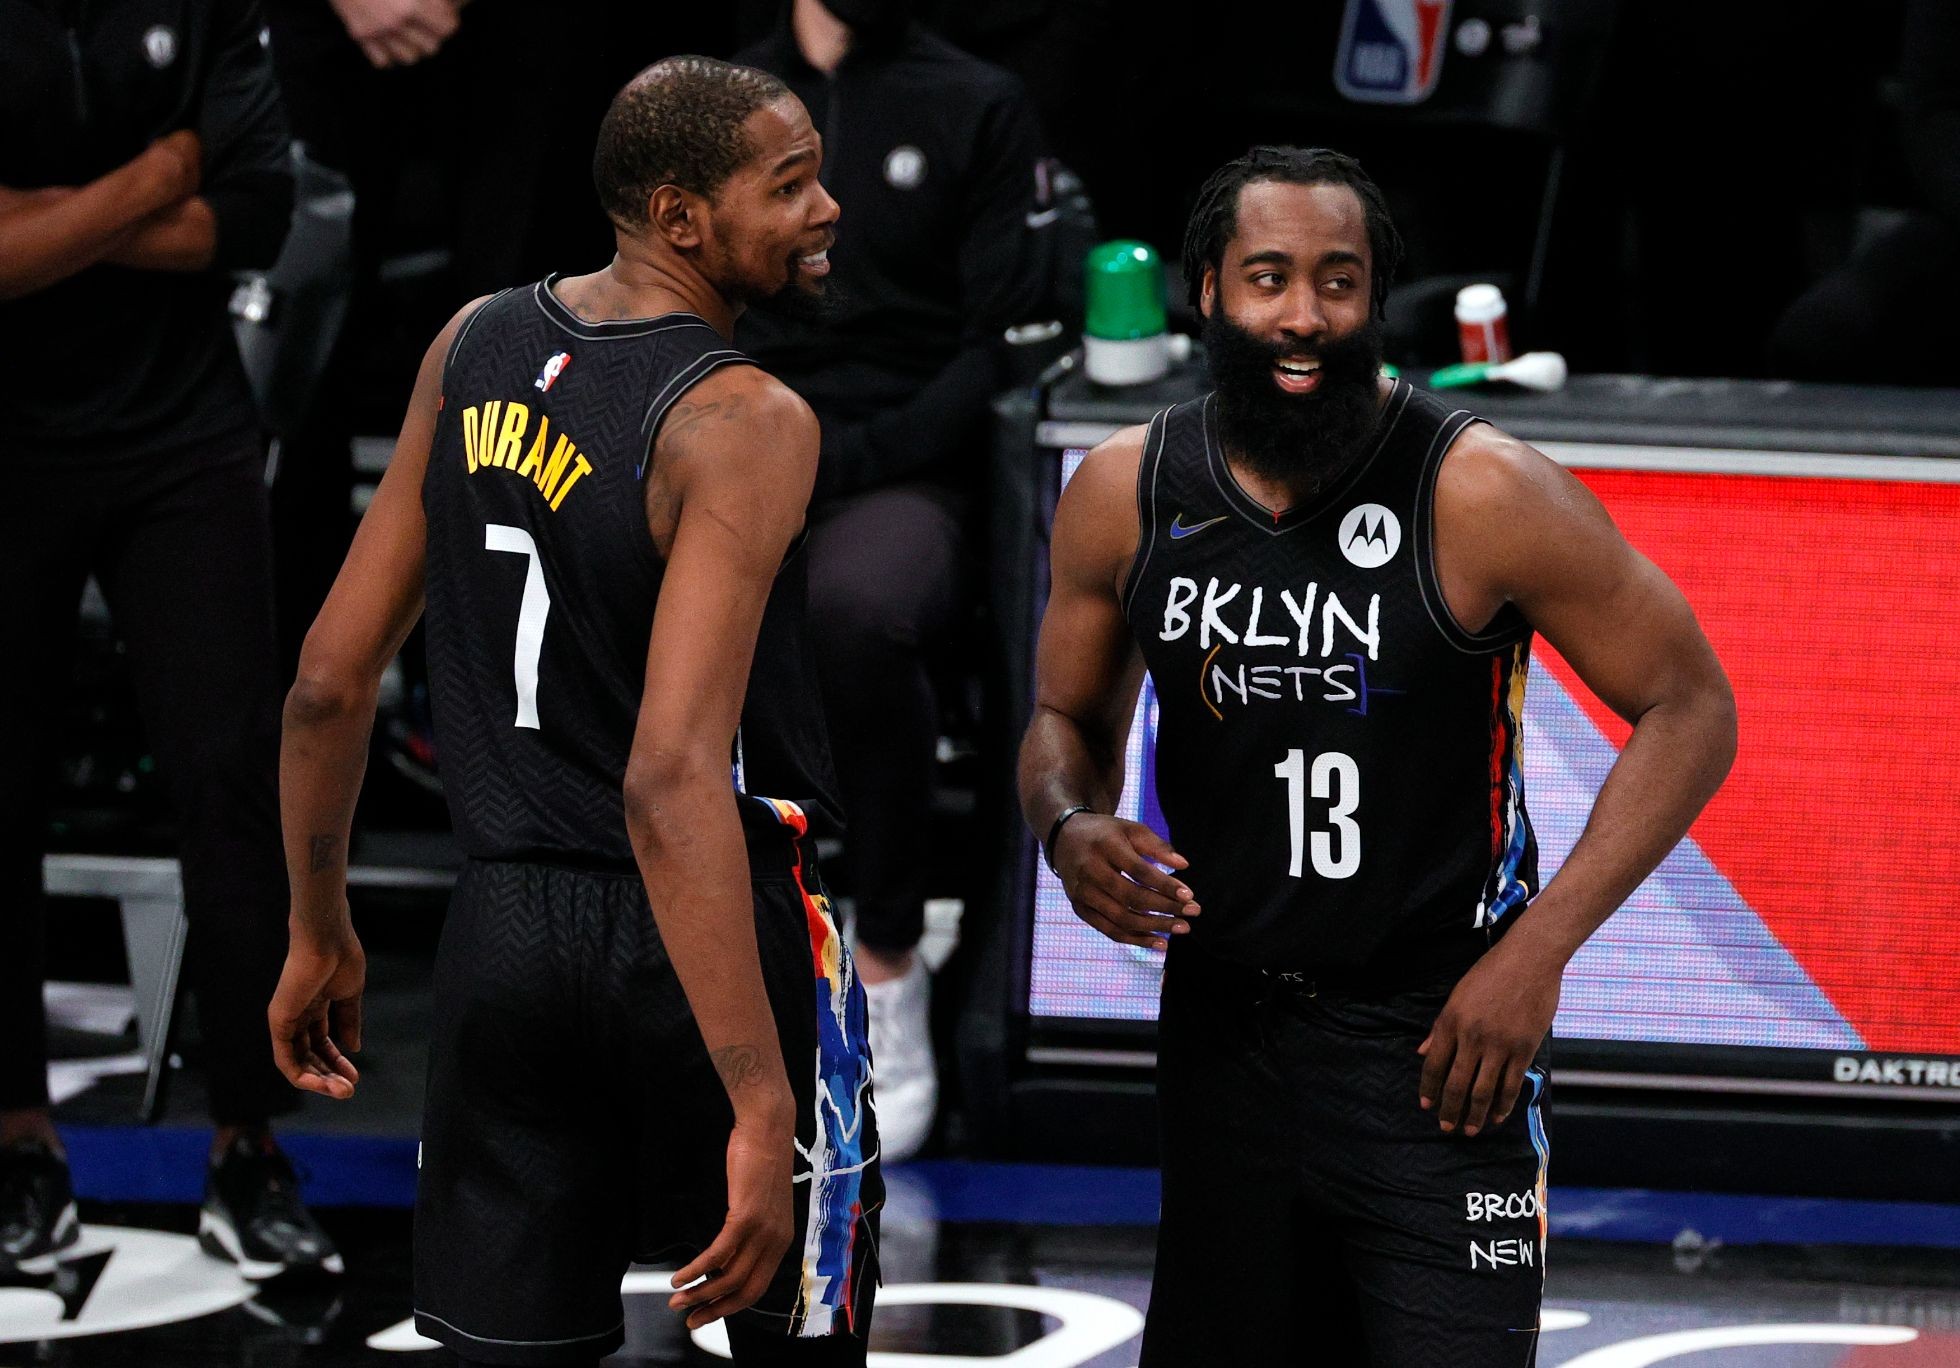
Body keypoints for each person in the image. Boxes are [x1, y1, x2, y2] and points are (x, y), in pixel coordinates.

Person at [1018, 146, 1737, 1365]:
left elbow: (1691, 707)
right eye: (1268, 278)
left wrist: (1536, 953)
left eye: (1337, 281)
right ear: (1207, 291)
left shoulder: (1481, 489)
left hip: (1440, 1042)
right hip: (1222, 1035)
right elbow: (1063, 719)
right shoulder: (1124, 488)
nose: (1303, 315)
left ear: (1375, 299)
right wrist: (1067, 823)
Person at [267, 56, 880, 1365]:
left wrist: (319, 928)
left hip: (502, 934)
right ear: (681, 218)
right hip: (712, 927)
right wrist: (762, 1099)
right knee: (794, 1340)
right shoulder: (743, 418)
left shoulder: (471, 343)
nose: (827, 208)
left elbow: (326, 681)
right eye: (789, 187)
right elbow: (669, 779)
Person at [0, 0, 340, 1279]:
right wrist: (156, 175)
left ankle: (248, 1146)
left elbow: (255, 218)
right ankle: (18, 1146)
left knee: (236, 785)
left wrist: (48, 218)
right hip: (9, 437)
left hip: (181, 434)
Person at [735, 0, 1052, 1161]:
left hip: (905, 463)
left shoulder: (976, 101)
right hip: (732, 444)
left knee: (857, 610)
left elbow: (1005, 340)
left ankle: (885, 962)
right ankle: (681, 979)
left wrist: (842, 458)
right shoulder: (717, 96)